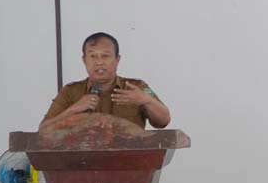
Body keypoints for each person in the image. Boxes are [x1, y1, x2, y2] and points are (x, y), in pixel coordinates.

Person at [40, 32, 171, 131]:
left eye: (105, 56)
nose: (99, 62)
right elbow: (43, 130)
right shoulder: (70, 92)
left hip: (129, 158)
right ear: (84, 60)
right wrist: (73, 110)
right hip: (83, 159)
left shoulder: (136, 87)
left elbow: (164, 121)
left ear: (117, 59)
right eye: (93, 56)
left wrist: (146, 100)